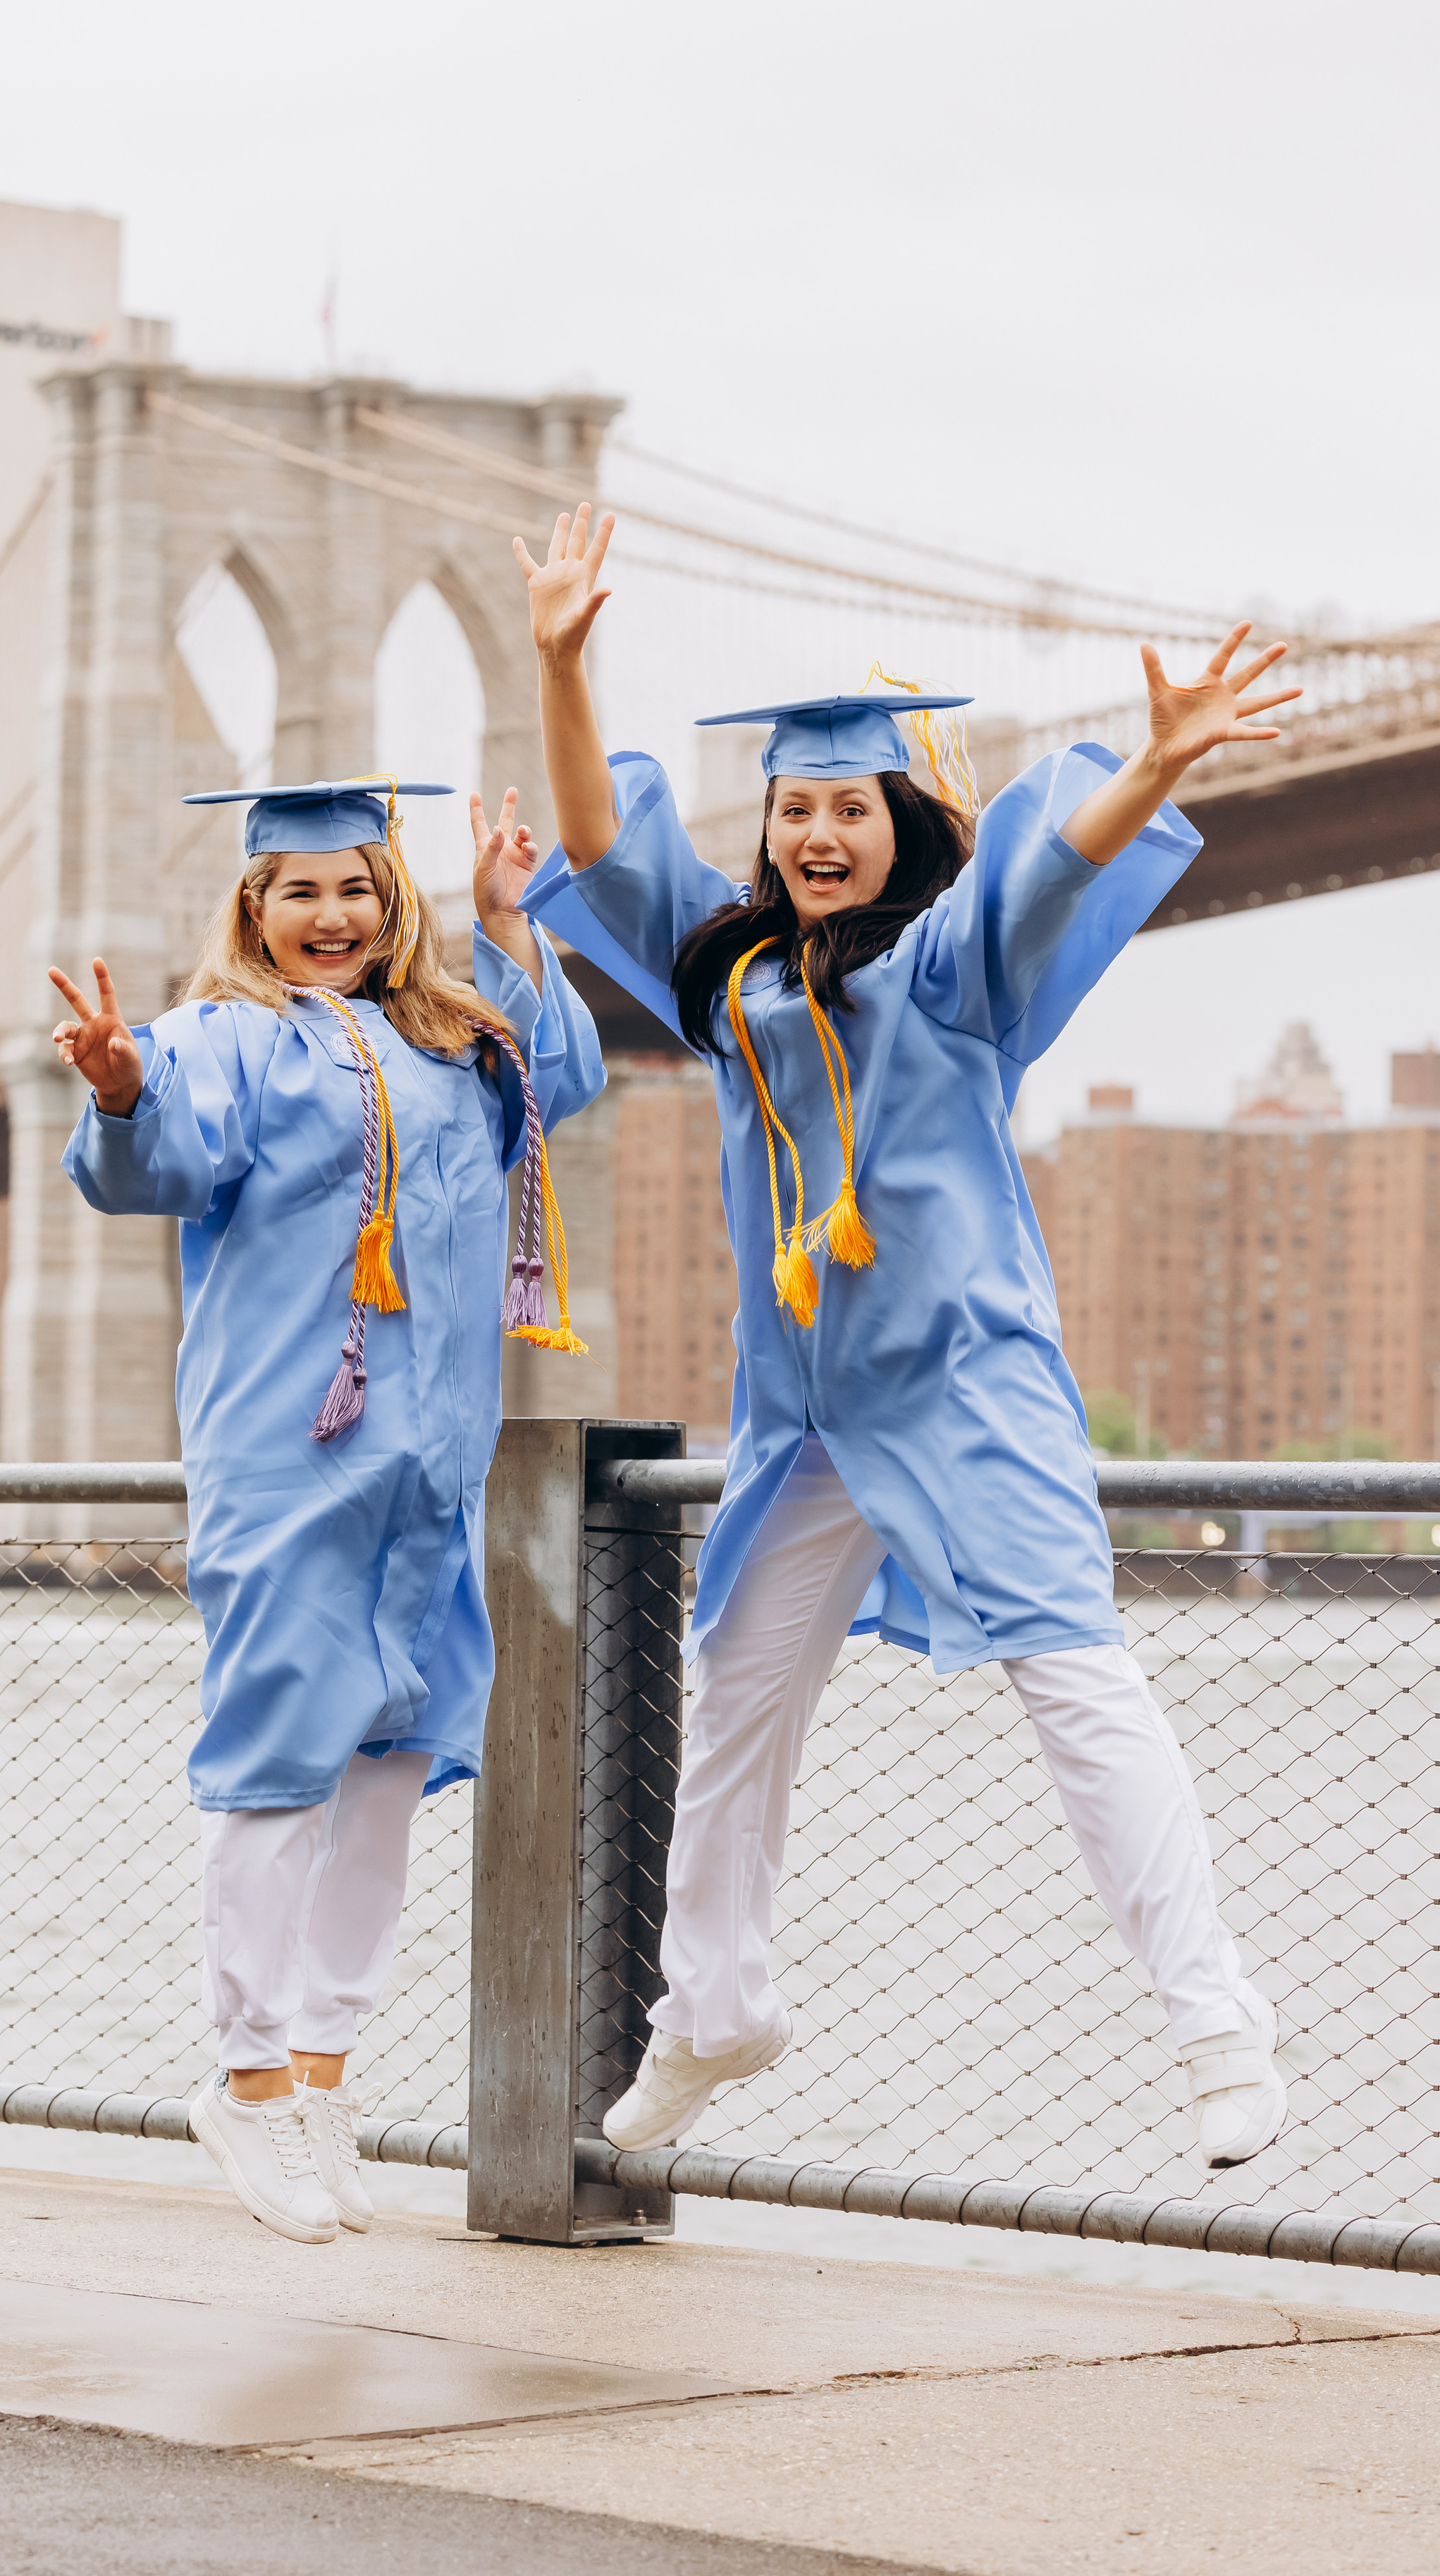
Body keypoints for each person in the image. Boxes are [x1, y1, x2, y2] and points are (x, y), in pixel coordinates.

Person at [515, 502, 1303, 2174]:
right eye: (791, 806)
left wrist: (1154, 761)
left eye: (846, 806)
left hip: (962, 1385)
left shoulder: (946, 973)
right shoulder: (732, 990)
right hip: (803, 1408)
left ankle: (1215, 2020)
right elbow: (591, 847)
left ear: (897, 827)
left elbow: (1060, 859)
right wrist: (558, 663)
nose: (814, 829)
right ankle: (709, 2012)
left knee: (1072, 1676)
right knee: (733, 1694)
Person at [51, 775, 603, 2243]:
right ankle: (237, 2076)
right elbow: (155, 1160)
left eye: (356, 887)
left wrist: (507, 926)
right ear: (252, 907)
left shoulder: (447, 1039)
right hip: (292, 1453)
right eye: (298, 891)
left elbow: (565, 1079)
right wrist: (116, 1085)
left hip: (430, 1464)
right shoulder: (219, 1040)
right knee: (275, 1766)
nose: (331, 915)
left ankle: (320, 2074)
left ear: (390, 898)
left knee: (390, 1762)